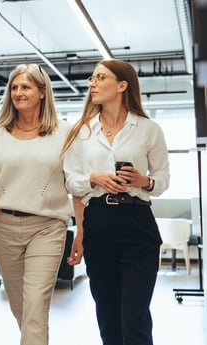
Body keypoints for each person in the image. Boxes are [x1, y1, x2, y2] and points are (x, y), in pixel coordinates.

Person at [61, 59, 170, 345]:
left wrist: (142, 181)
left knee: (133, 314)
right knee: (107, 314)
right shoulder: (81, 132)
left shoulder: (148, 129)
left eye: (99, 77)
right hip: (98, 223)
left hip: (138, 224)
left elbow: (163, 179)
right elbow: (70, 182)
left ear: (122, 85)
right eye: (92, 78)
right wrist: (93, 178)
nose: (91, 83)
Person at [0, 64, 72, 345]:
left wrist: (83, 231)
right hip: (3, 227)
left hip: (48, 227)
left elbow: (78, 182)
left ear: (42, 92)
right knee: (21, 307)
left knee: (36, 304)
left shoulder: (64, 132)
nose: (18, 93)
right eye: (14, 88)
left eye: (25, 87)